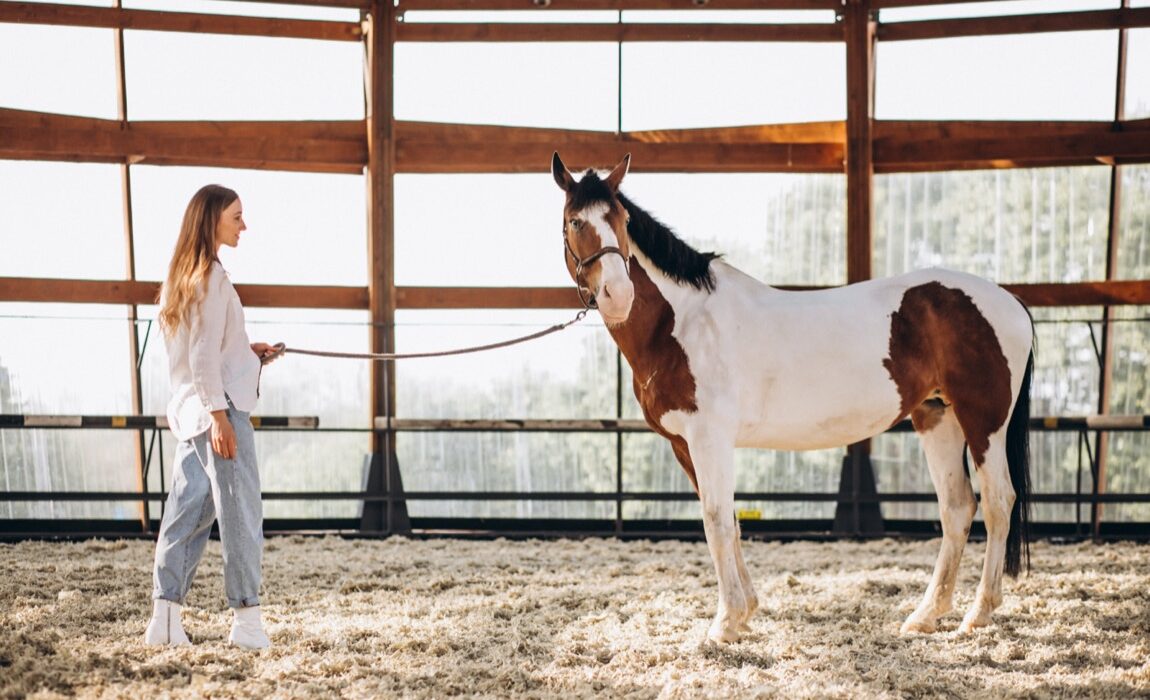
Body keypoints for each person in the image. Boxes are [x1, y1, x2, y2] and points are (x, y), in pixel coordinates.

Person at [144, 184, 279, 649]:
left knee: (189, 510)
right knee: (240, 513)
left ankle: (164, 619)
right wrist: (221, 417)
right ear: (213, 221)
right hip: (218, 411)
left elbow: (204, 351)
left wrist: (249, 351)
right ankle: (247, 622)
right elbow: (204, 357)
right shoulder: (213, 278)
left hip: (192, 412)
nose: (244, 225)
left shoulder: (185, 277)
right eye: (237, 217)